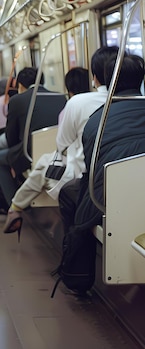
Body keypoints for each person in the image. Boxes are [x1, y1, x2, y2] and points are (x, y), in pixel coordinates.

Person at [2, 67, 90, 236]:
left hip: (72, 165)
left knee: (37, 165)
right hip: (86, 162)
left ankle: (13, 206)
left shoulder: (71, 106)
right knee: (43, 164)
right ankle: (16, 207)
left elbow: (62, 143)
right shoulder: (61, 98)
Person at [71, 53, 145, 233]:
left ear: (106, 80)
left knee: (72, 196)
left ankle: (79, 256)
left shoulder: (97, 119)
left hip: (110, 198)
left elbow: (91, 169)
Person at [57, 45, 120, 234]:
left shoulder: (77, 102)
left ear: (95, 77)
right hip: (128, 178)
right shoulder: (136, 101)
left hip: (91, 182)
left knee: (68, 194)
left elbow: (62, 144)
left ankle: (74, 251)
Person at [0, 66, 67, 214]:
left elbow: (11, 138)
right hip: (59, 151)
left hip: (30, 153)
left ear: (20, 85)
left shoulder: (16, 100)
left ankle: (14, 205)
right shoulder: (60, 97)